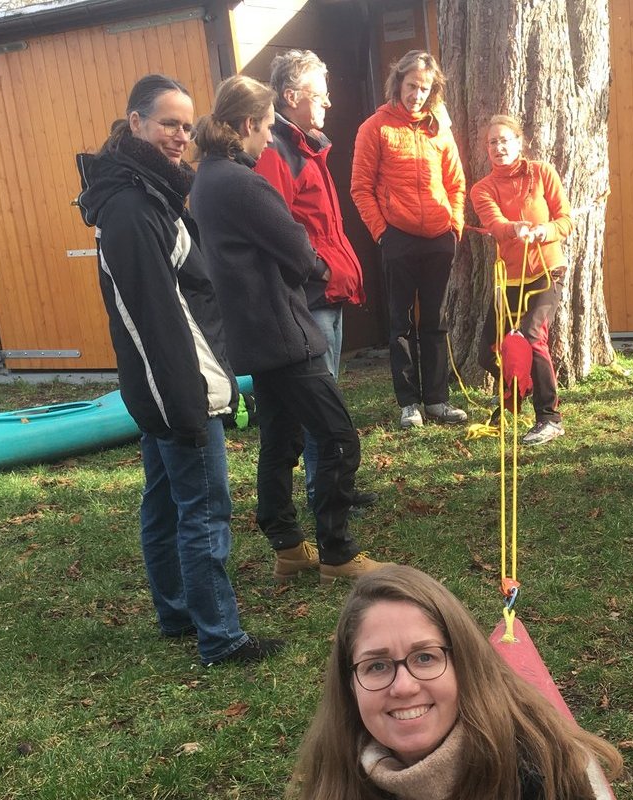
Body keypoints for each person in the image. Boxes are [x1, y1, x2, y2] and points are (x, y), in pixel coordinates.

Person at [75, 74, 283, 665]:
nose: (180, 136)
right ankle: (221, 637)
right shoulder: (133, 209)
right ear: (135, 122)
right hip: (179, 390)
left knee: (166, 502)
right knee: (205, 511)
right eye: (168, 122)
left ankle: (177, 613)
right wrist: (186, 405)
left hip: (164, 389)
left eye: (187, 126)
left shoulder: (145, 194)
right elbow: (156, 321)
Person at [188, 75, 386, 583]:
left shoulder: (206, 179)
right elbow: (298, 249)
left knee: (281, 438)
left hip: (252, 335)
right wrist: (318, 267)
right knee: (339, 437)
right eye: (267, 127)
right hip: (282, 333)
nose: (268, 137)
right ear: (249, 124)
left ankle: (288, 546)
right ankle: (338, 554)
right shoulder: (241, 181)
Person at [289, 565, 623, 800]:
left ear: (464, 665)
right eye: (376, 665)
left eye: (425, 657)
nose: (403, 687)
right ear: (350, 685)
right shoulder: (334, 774)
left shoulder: (547, 765)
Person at [255, 49, 377, 512]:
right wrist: (318, 269)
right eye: (319, 97)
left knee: (328, 396)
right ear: (290, 97)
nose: (327, 105)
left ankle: (332, 488)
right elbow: (276, 225)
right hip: (310, 295)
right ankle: (324, 496)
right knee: (318, 404)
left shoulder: (309, 145)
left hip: (328, 291)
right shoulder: (278, 150)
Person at [351, 50, 468, 430]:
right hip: (397, 237)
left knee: (435, 321)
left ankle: (436, 399)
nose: (417, 94)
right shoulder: (375, 127)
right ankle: (409, 404)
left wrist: (455, 226)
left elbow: (456, 183)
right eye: (412, 86)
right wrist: (383, 234)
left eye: (425, 88)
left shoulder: (439, 129)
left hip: (439, 238)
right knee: (399, 323)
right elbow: (360, 188)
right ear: (398, 82)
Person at [470, 114, 572, 447]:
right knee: (488, 353)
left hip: (547, 272)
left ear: (519, 142)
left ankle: (549, 418)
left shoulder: (542, 173)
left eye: (505, 140)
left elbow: (565, 220)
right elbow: (495, 223)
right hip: (510, 280)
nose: (499, 147)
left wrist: (545, 231)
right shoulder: (482, 189)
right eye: (492, 142)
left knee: (531, 335)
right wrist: (514, 228)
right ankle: (521, 385)